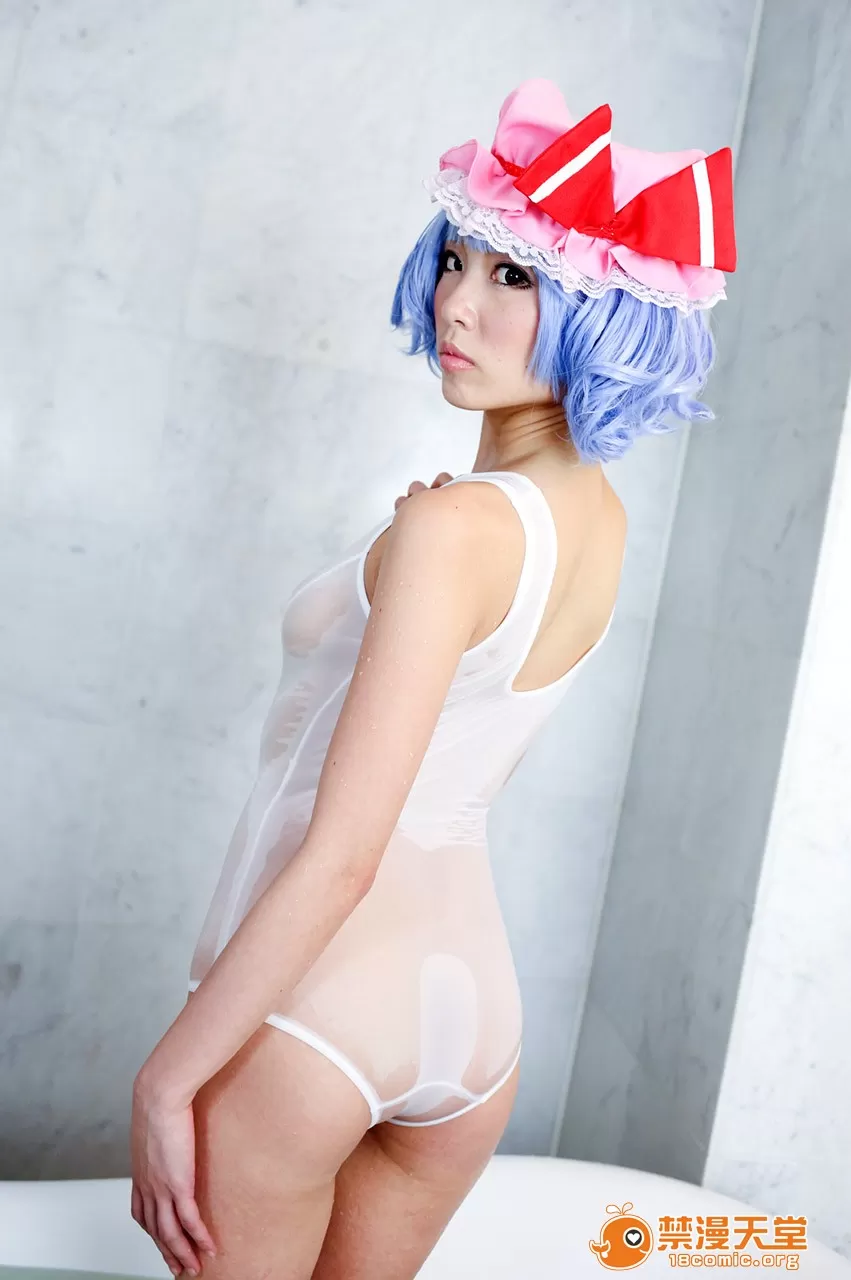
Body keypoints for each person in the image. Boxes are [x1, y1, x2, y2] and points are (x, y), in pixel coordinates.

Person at [129, 78, 737, 1280]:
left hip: (322, 1002)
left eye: (515, 275)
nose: (457, 300)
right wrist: (414, 549)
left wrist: (165, 1077)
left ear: (606, 311)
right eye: (457, 258)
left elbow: (343, 854)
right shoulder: (591, 519)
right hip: (470, 1019)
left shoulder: (453, 530)